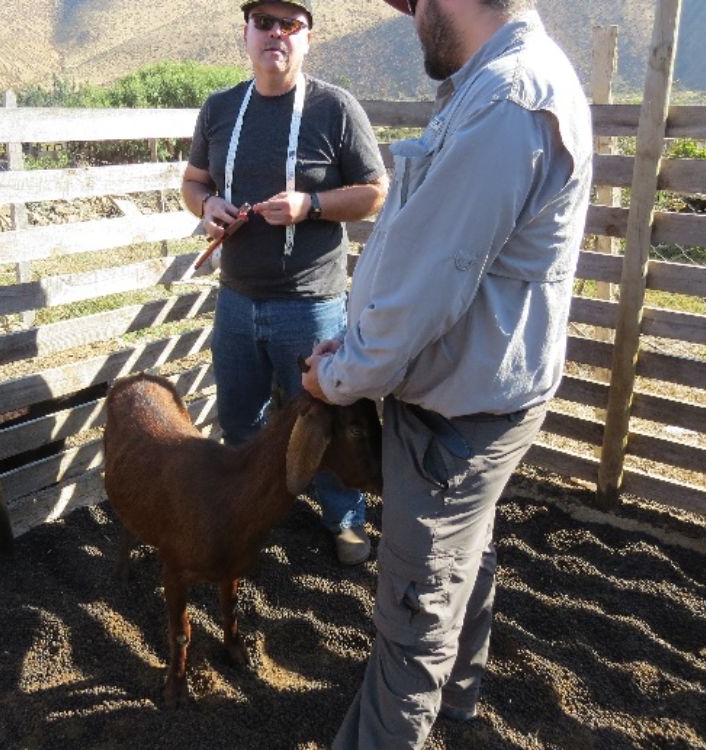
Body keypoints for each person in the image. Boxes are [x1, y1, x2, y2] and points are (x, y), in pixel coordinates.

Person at [301, 0, 592, 746]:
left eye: (416, 3)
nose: (412, 18)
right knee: (467, 552)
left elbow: (431, 280)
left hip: (455, 414)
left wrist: (341, 376)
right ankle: (458, 708)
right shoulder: (497, 84)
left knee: (412, 615)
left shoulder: (507, 101)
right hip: (478, 398)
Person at [181, 0, 388, 565]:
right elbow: (194, 181)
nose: (276, 33)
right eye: (263, 23)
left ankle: (345, 521)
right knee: (240, 417)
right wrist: (209, 206)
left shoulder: (335, 108)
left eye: (289, 24)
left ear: (307, 38)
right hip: (237, 300)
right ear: (246, 34)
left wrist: (311, 204)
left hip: (312, 304)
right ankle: (248, 509)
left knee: (327, 417)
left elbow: (374, 191)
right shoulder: (221, 108)